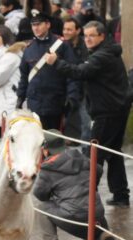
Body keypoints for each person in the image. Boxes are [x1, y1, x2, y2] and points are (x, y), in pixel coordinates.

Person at [46, 20, 133, 207]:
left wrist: (56, 62)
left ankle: (83, 198)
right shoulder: (106, 52)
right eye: (86, 36)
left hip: (108, 112)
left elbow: (80, 72)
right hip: (115, 109)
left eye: (92, 36)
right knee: (114, 153)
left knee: (93, 155)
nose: (88, 39)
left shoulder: (102, 56)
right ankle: (120, 195)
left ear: (102, 36)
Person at [34, 130, 121, 240]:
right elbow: (98, 169)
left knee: (42, 208)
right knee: (92, 206)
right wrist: (91, 185)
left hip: (74, 215)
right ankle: (105, 237)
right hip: (96, 212)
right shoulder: (78, 156)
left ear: (45, 149)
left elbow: (40, 194)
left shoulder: (48, 168)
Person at [17, 9, 81, 130]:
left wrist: (72, 97)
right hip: (34, 105)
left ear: (48, 24)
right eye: (33, 25)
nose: (36, 28)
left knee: (53, 143)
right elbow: (24, 76)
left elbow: (72, 73)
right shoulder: (29, 48)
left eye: (39, 24)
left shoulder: (62, 45)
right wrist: (20, 97)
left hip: (55, 104)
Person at [61, 17, 91, 141]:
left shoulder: (86, 46)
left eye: (69, 29)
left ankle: (85, 154)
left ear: (78, 31)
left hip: (84, 89)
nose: (66, 32)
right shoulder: (61, 46)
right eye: (64, 29)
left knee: (86, 123)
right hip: (67, 87)